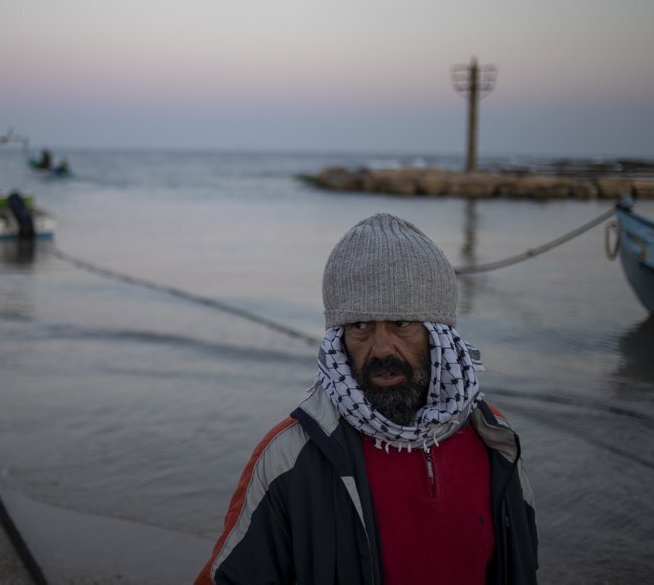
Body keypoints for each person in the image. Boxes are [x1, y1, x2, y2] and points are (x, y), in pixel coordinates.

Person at [196, 213, 538, 584]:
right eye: (360, 326)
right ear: (339, 339)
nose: (381, 349)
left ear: (438, 335)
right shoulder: (289, 456)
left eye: (401, 324)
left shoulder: (494, 439)